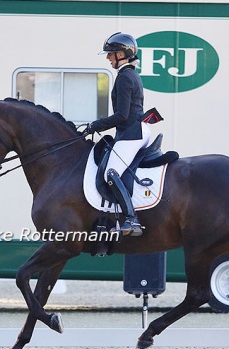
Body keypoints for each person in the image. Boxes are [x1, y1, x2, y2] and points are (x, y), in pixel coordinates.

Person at [85, 32, 150, 237]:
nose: (108, 58)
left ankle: (132, 220)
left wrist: (95, 125)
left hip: (132, 132)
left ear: (123, 54)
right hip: (137, 129)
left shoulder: (124, 78)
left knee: (111, 172)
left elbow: (121, 115)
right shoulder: (130, 75)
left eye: (111, 54)